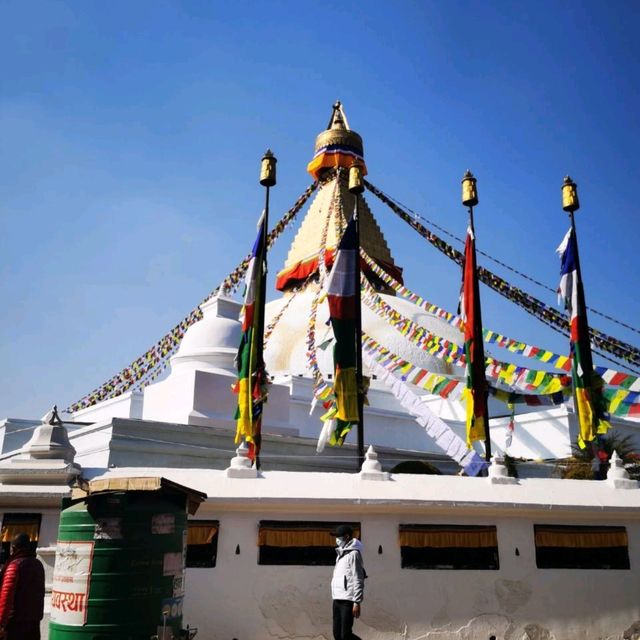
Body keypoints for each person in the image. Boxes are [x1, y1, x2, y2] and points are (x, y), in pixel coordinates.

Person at [0, 533, 45, 640]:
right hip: (34, 622)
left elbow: (6, 597)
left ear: (13, 548)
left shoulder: (14, 566)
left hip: (15, 624)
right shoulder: (38, 564)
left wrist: (1, 623)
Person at [331, 524, 365, 640]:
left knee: (346, 635)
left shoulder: (354, 554)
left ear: (346, 537)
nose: (336, 539)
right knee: (337, 634)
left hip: (348, 600)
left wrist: (356, 602)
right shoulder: (340, 555)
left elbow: (358, 578)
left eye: (338, 537)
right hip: (337, 598)